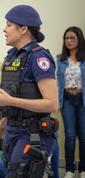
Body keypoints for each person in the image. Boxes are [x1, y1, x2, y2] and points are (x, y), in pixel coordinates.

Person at [0, 5, 59, 177]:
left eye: (9, 24)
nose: (4, 29)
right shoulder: (12, 57)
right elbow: (14, 96)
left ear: (24, 29)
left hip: (32, 134)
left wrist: (10, 100)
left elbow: (52, 104)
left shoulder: (38, 57)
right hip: (12, 130)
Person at [56, 26, 85, 178]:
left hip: (82, 99)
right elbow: (56, 83)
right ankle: (69, 169)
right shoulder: (60, 59)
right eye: (66, 38)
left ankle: (83, 169)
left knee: (84, 135)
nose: (69, 41)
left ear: (79, 39)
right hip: (67, 98)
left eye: (72, 37)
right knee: (70, 135)